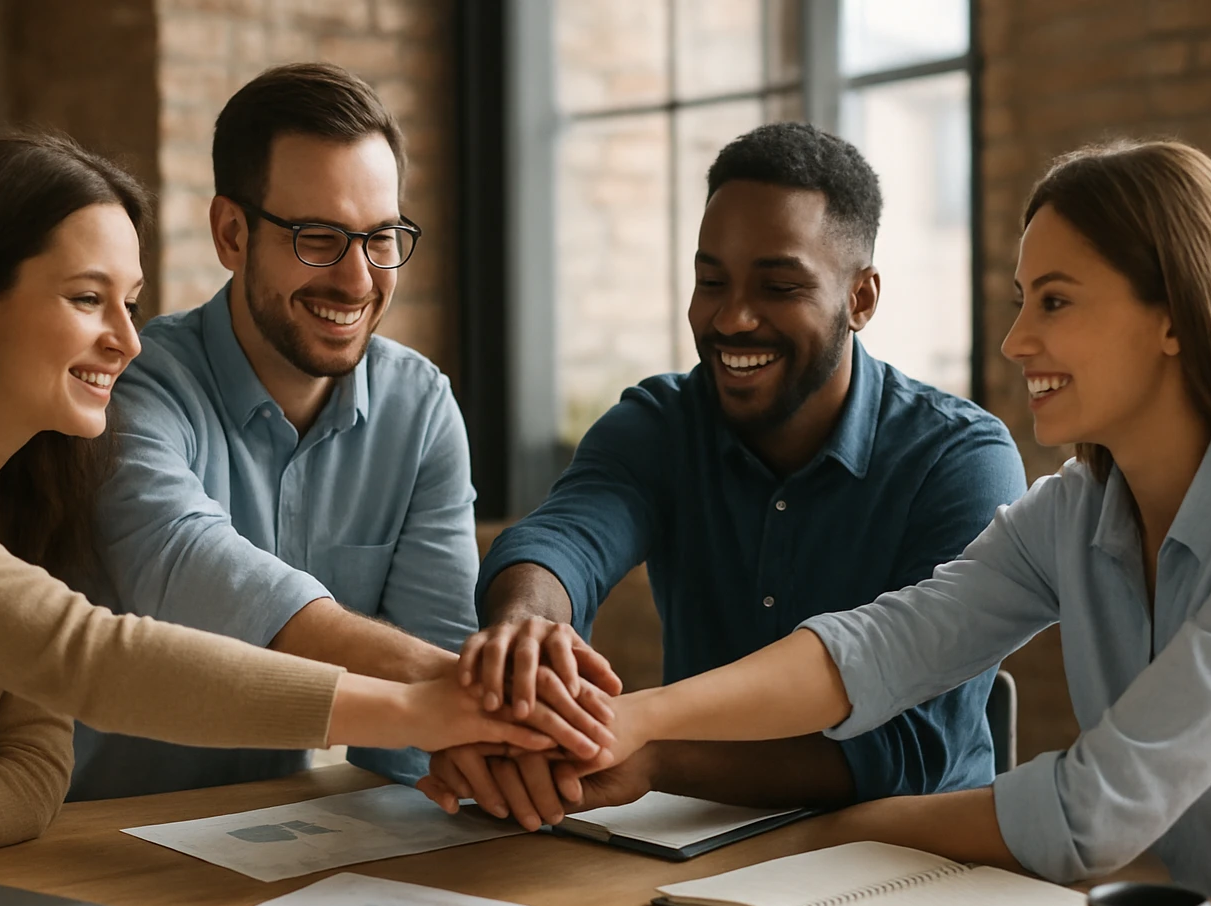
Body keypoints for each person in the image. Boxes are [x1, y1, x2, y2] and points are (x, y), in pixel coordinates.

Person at [465, 139, 1211, 906]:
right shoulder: (1076, 511)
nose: (1015, 341)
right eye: (1021, 301)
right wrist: (631, 722)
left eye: (1054, 302)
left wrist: (831, 836)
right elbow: (883, 646)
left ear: (1173, 317)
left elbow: (1094, 811)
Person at [0, 133, 609, 885]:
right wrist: (412, 708)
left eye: (130, 303)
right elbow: (88, 658)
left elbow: (31, 768)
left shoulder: (28, 494)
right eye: (87, 298)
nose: (126, 341)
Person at [420, 123, 1026, 832]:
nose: (732, 318)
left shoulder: (961, 462)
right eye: (711, 282)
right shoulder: (661, 423)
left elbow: (913, 751)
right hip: (694, 842)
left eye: (779, 286)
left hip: (910, 856)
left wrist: (651, 754)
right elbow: (567, 538)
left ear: (860, 299)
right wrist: (526, 631)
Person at [68, 62, 607, 800]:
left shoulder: (419, 409)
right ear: (231, 233)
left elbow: (424, 722)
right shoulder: (131, 385)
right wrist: (472, 694)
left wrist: (477, 757)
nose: (357, 281)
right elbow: (192, 569)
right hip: (93, 829)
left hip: (276, 832)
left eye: (381, 238)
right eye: (318, 238)